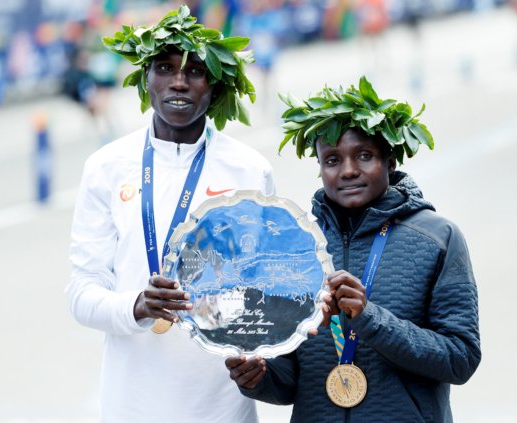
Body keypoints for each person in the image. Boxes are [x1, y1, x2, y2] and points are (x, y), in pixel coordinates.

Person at [226, 77, 481, 422]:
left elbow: (460, 358)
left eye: (364, 156)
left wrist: (370, 319)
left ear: (390, 162)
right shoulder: (295, 245)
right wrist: (259, 379)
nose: (348, 170)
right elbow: (289, 380)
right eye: (332, 160)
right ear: (320, 169)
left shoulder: (438, 237)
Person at [66, 6, 274, 422]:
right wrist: (137, 306)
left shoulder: (249, 170)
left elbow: (268, 291)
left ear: (215, 86)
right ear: (146, 80)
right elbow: (81, 293)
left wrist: (253, 342)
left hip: (222, 407)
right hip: (132, 406)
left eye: (196, 70)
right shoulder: (106, 167)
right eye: (164, 67)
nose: (179, 80)